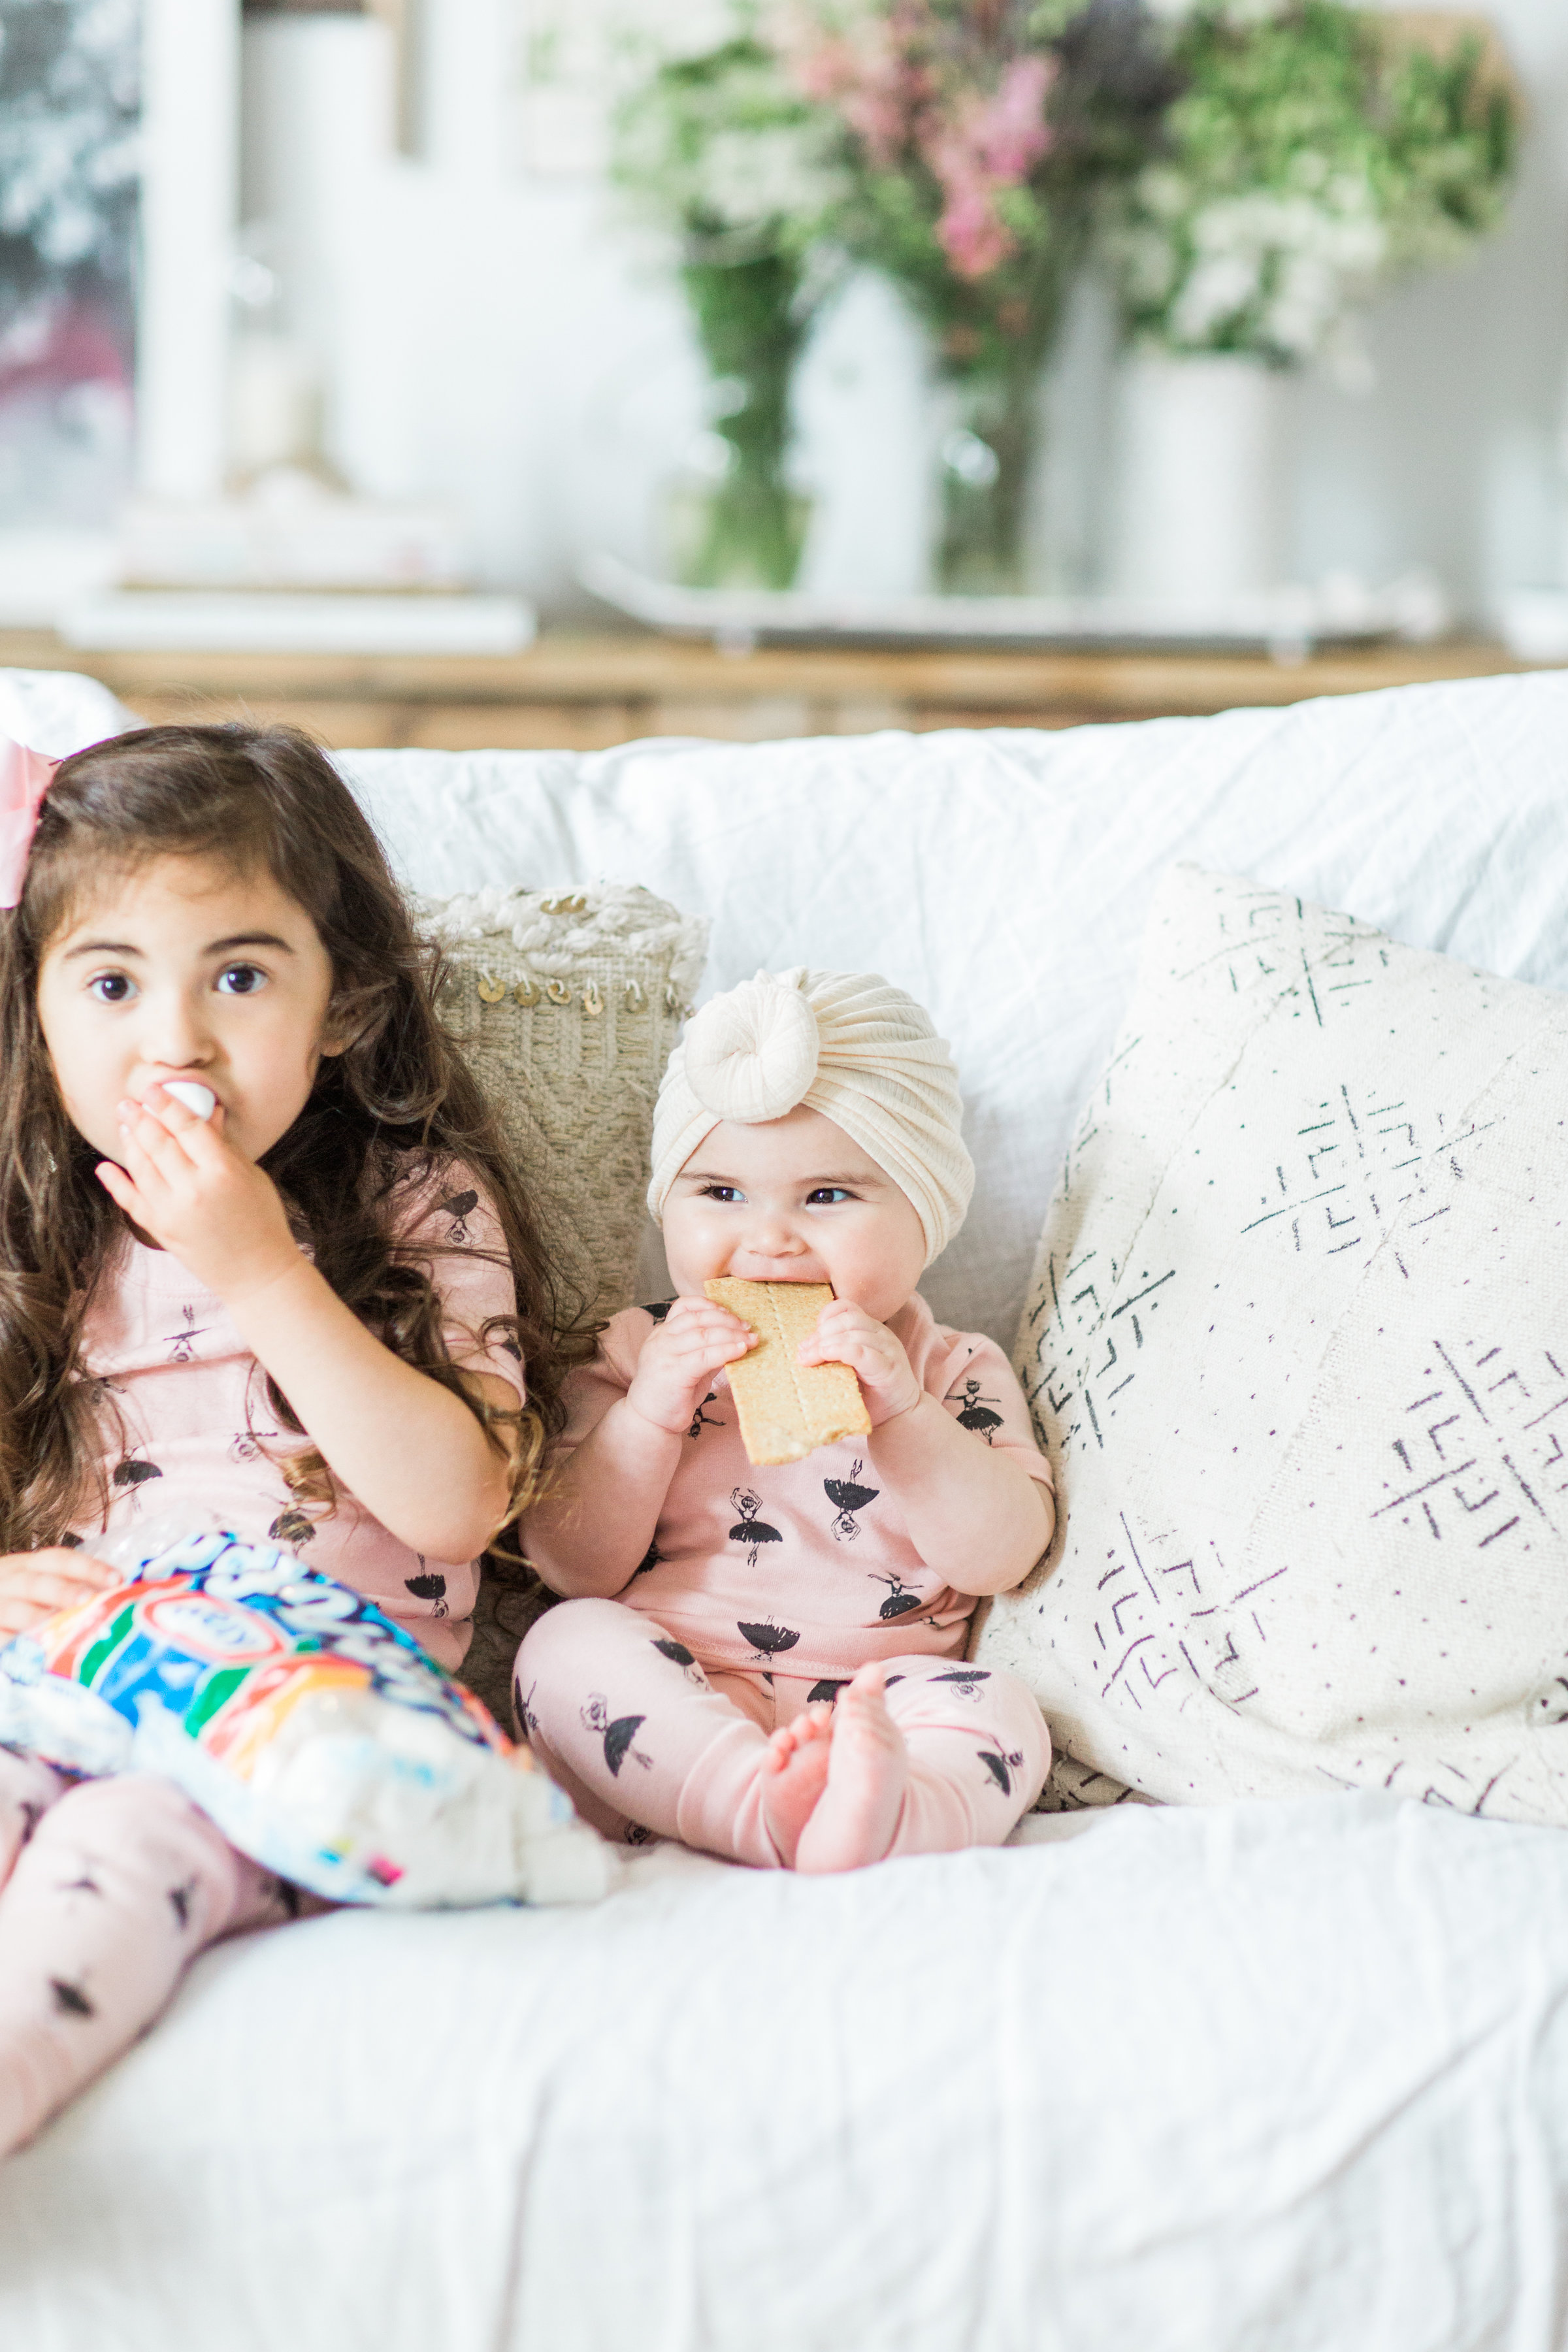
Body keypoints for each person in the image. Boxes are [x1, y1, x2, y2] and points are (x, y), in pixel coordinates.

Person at [0, 721, 570, 2154]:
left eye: (238, 977)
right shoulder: (28, 1233)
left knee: (118, 1854)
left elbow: (456, 1508)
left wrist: (263, 1271)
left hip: (300, 1715)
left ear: (343, 1004)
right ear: (42, 1009)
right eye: (114, 982)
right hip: (66, 1683)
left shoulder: (415, 1205)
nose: (175, 1039)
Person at [517, 968, 1056, 1872]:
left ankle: (884, 1813)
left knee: (1006, 1712)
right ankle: (754, 1803)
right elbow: (573, 1565)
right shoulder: (633, 1351)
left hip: (881, 1697)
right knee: (563, 1644)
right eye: (721, 1194)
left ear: (927, 1215)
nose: (771, 1239)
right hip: (675, 1701)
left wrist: (907, 1415)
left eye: (828, 1197)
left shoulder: (951, 1368)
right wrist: (652, 1412)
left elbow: (1005, 1557)